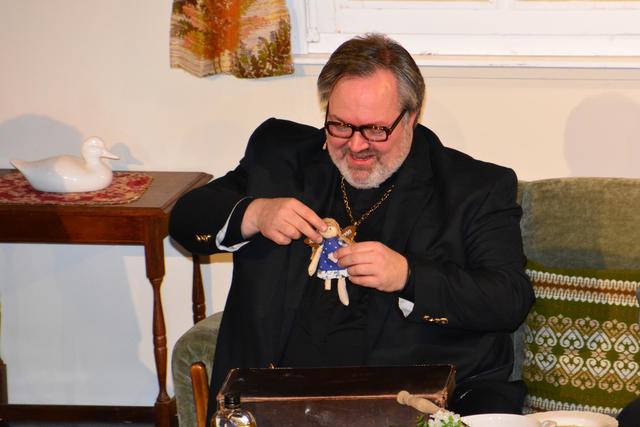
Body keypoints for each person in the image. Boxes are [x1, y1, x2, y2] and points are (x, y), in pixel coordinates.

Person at [169, 33, 535, 422]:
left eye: (376, 129)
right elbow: (186, 221)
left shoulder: (472, 188)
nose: (357, 146)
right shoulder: (280, 158)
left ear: (411, 117)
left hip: (410, 405)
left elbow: (508, 300)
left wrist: (408, 276)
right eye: (340, 126)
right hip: (277, 401)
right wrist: (255, 213)